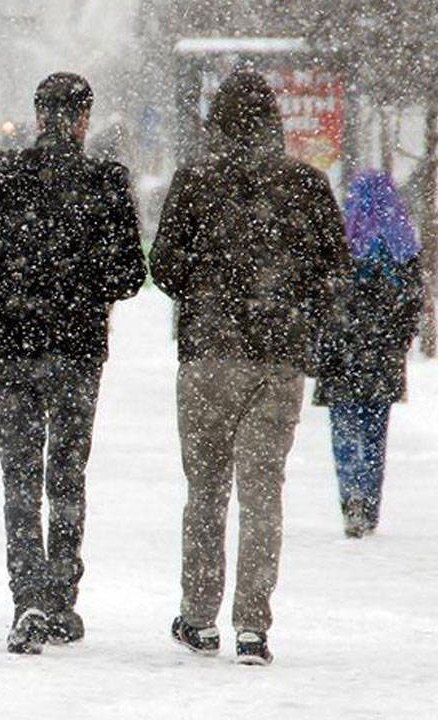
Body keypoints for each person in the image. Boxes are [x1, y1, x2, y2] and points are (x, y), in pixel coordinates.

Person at [150, 71, 350, 665]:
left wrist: (206, 287)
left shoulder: (196, 181)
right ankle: (253, 626)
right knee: (264, 494)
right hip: (279, 360)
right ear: (274, 121)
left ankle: (199, 617)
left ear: (217, 122)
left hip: (209, 355)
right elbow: (335, 270)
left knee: (206, 490)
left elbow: (163, 265)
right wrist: (292, 304)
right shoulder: (305, 185)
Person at [0, 72, 145, 653]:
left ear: (39, 114)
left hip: (6, 349)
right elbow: (128, 276)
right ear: (84, 118)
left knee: (18, 476)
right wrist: (80, 282)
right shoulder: (105, 183)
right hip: (75, 348)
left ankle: (28, 598)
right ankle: (62, 597)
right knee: (66, 473)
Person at [314, 170, 423, 538]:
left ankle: (350, 499)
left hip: (342, 351)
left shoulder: (344, 236)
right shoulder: (403, 243)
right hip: (382, 354)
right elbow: (413, 301)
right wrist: (399, 339)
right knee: (376, 433)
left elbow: (323, 294)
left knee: (344, 429)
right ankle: (370, 504)